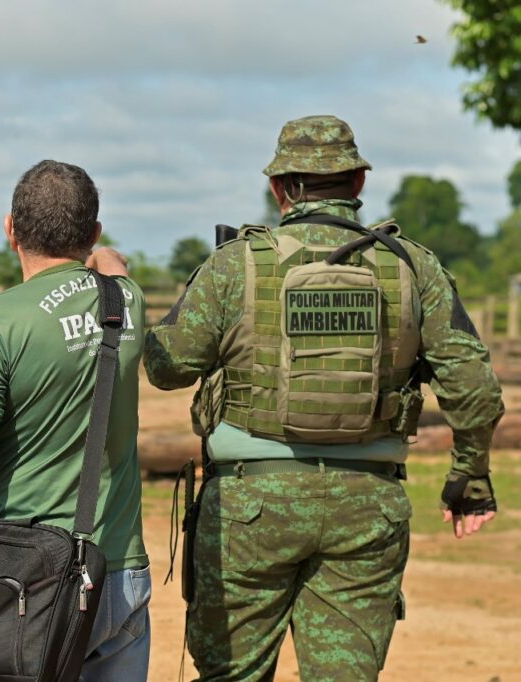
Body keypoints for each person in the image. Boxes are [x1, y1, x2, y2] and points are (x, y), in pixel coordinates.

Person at [144, 115, 504, 681]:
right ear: (357, 182)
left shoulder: (234, 264)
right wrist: (470, 477)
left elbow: (167, 368)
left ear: (279, 188)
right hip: (366, 511)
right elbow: (474, 386)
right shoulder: (413, 267)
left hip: (247, 509)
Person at [0, 159, 152, 681]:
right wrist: (105, 255)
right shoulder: (127, 302)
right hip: (120, 568)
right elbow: (114, 269)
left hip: (34, 578)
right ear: (93, 231)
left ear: (10, 229)